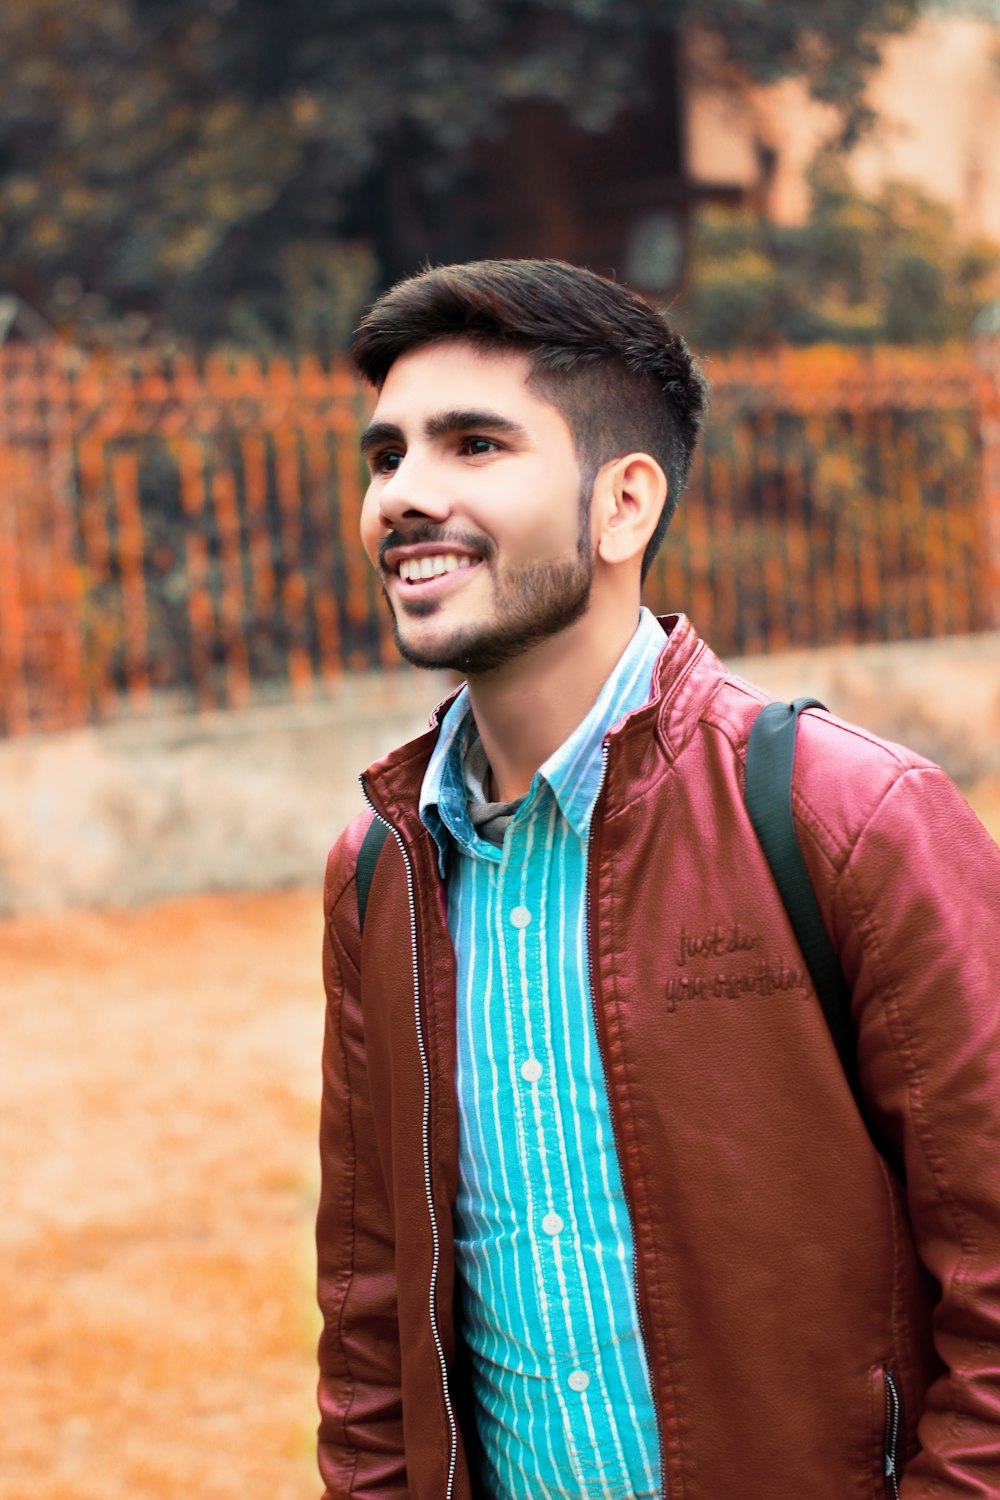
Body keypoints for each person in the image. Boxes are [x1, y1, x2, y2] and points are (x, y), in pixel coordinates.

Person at [315, 258, 1000, 1500]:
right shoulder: (377, 870)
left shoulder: (846, 816)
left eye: (474, 444)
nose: (404, 496)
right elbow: (372, 1329)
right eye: (385, 456)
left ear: (622, 504)